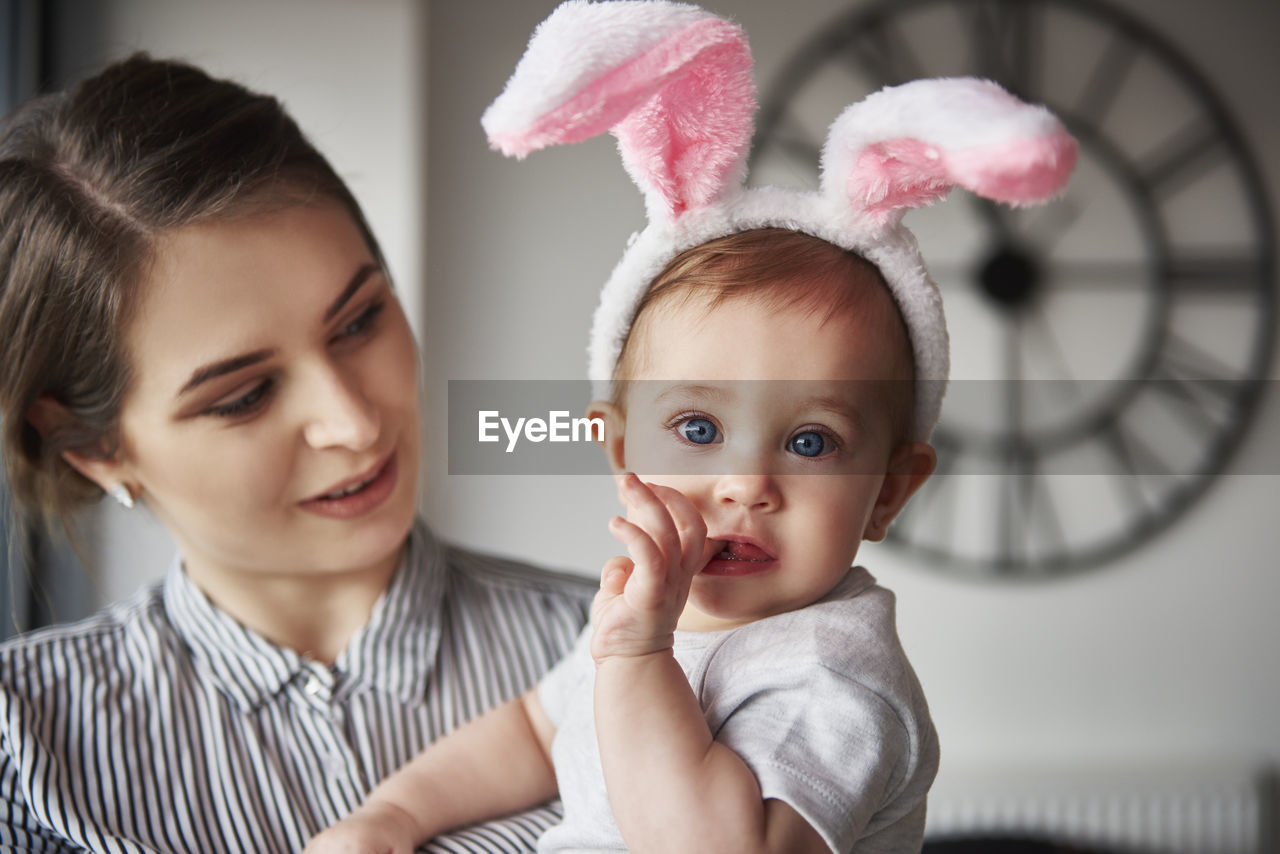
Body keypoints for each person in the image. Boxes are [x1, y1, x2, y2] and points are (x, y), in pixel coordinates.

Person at [304, 2, 1076, 851]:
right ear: (621, 450)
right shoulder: (657, 617)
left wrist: (638, 661)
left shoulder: (834, 680)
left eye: (810, 441)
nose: (746, 484)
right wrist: (392, 817)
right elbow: (535, 729)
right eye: (700, 429)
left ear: (888, 491)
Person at [0, 54, 595, 853]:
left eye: (359, 322)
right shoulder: (24, 751)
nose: (352, 422)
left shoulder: (647, 648)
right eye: (244, 395)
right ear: (96, 450)